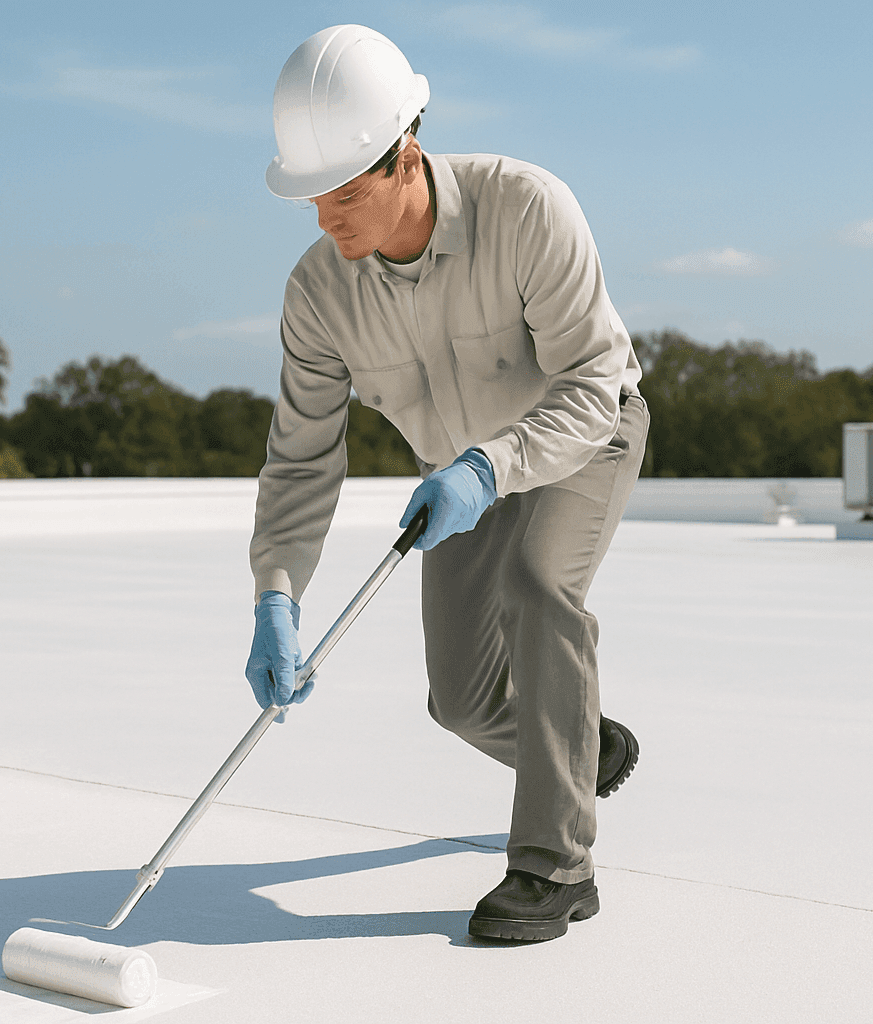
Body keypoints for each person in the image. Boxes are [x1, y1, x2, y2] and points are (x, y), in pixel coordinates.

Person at [245, 24, 648, 942]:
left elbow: (589, 382)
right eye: (311, 197)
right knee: (461, 700)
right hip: (466, 473)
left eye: (346, 192)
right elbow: (303, 455)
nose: (327, 219)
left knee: (539, 585)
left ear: (406, 156)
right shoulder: (317, 295)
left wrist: (488, 466)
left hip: (585, 432)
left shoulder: (528, 207)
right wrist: (276, 595)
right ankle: (577, 743)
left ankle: (555, 868)